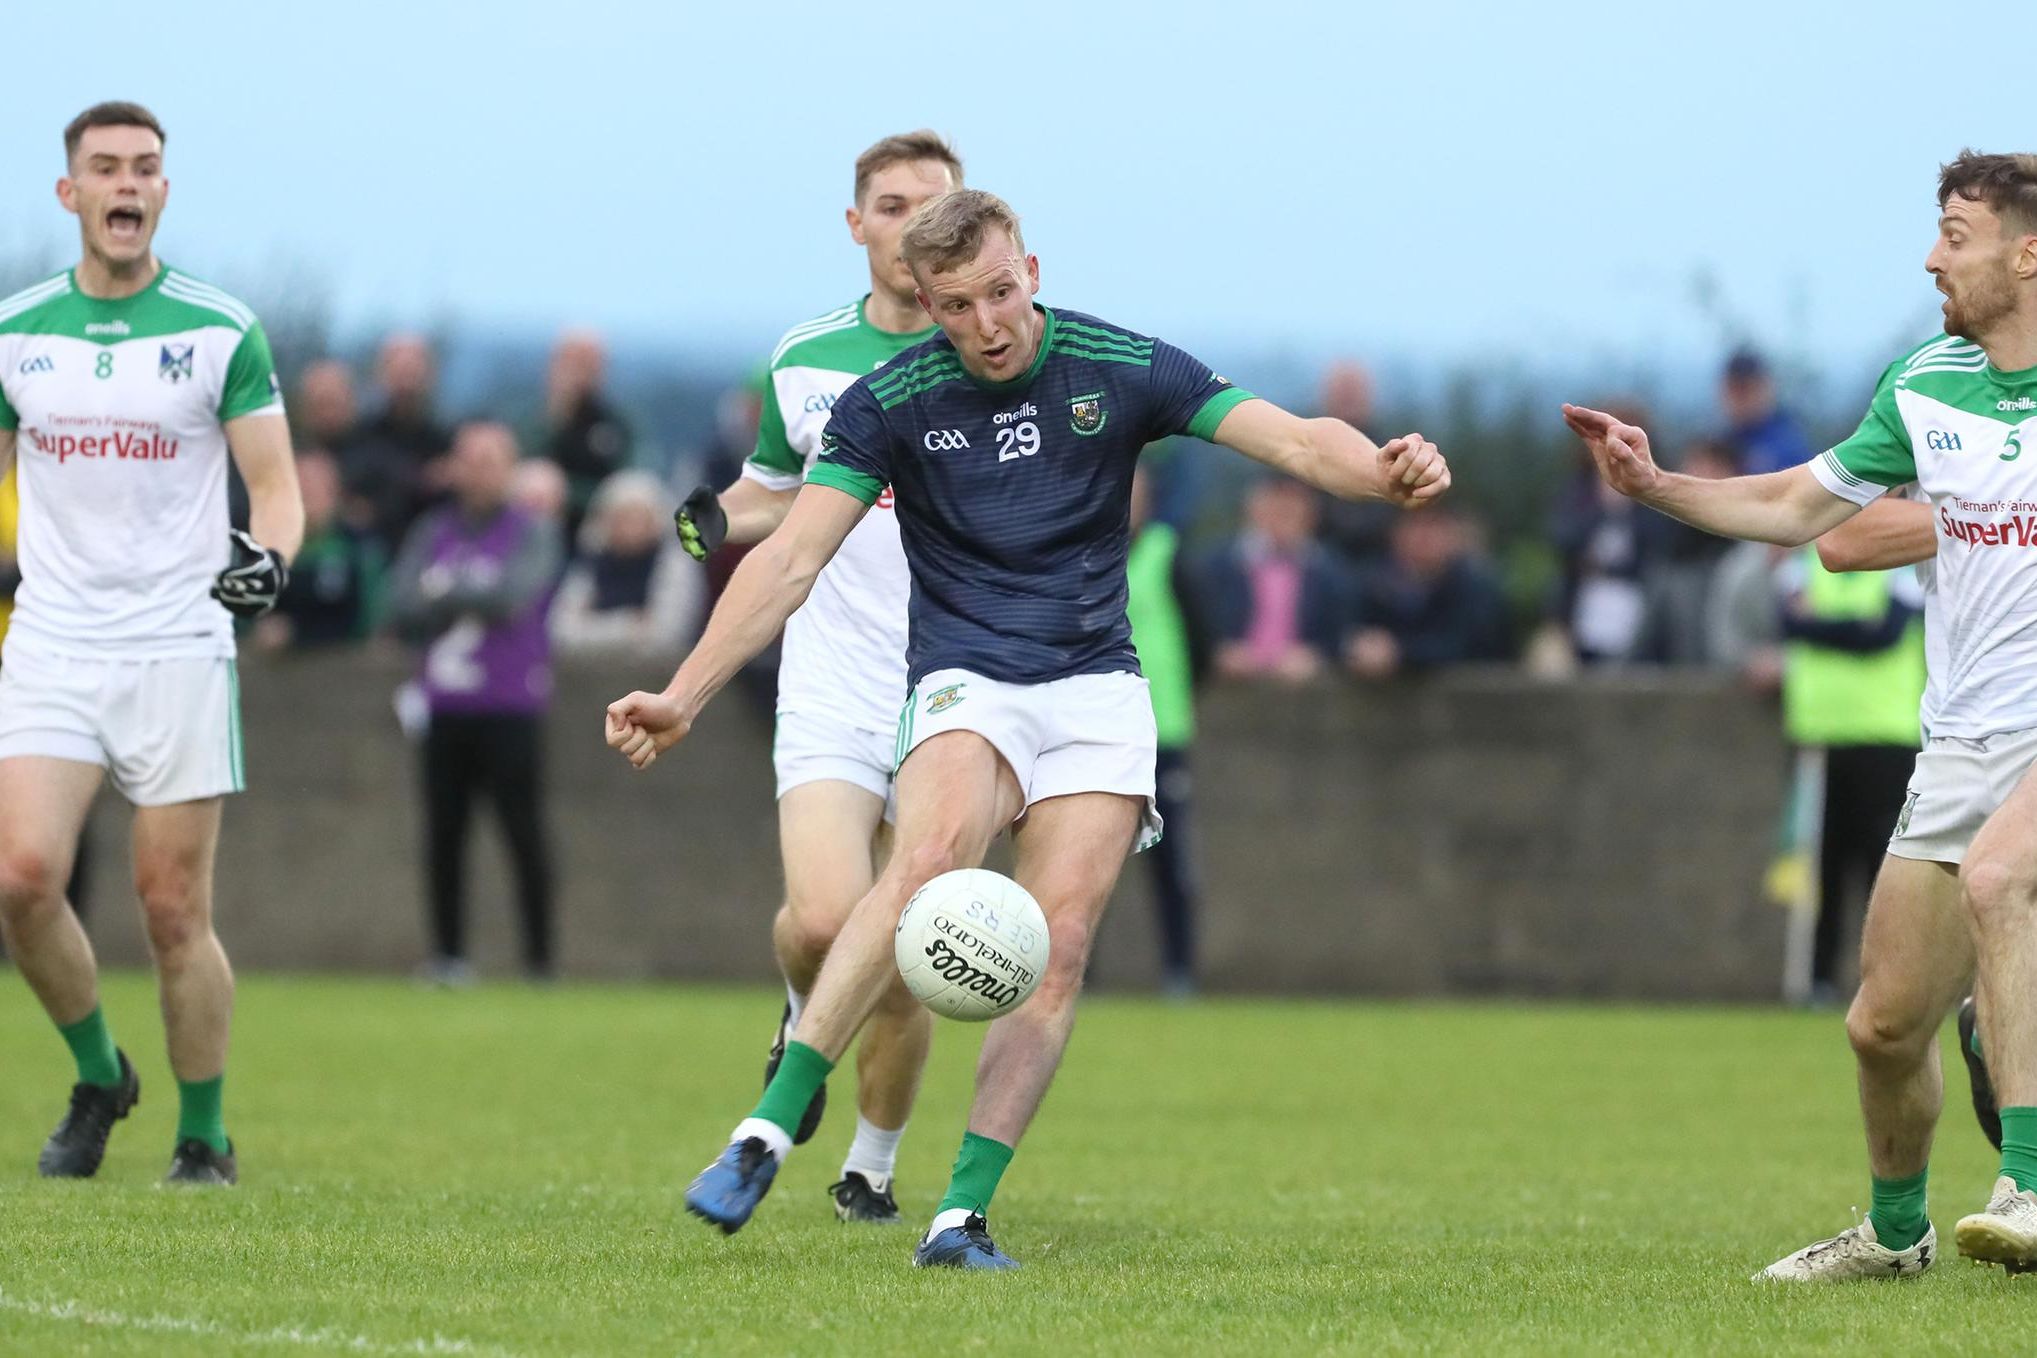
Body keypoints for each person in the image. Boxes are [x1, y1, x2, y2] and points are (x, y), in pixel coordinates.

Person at [609, 188, 1449, 1268]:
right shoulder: (890, 400)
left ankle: (960, 1216)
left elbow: (1291, 438)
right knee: (925, 858)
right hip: (970, 673)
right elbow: (788, 557)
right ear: (926, 299)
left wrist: (1384, 470)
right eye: (958, 304)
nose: (989, 322)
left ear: (1033, 271)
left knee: (1058, 949)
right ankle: (766, 1126)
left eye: (1003, 292)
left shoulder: (1119, 363)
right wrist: (685, 690)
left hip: (1098, 685)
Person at [1562, 149, 2037, 1279]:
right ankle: (1894, 1230)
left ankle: (2026, 1182)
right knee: (1880, 1025)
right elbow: (1801, 509)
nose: (1933, 256)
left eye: (1957, 236)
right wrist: (1658, 485)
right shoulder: (1925, 384)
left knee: (1997, 880)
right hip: (1965, 739)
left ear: (2028, 253)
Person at [0, 102, 304, 1186]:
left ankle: (205, 1134)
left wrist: (268, 559)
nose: (126, 186)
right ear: (68, 193)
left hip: (179, 643)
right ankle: (99, 1072)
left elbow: (275, 490)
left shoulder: (221, 328)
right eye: (105, 169)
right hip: (52, 639)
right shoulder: (17, 331)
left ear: (163, 192)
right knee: (21, 877)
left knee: (173, 908)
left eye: (145, 170)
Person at [668, 130, 964, 1224]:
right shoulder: (803, 356)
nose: (910, 226)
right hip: (834, 677)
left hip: (958, 686)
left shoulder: (987, 352)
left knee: (916, 938)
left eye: (932, 207)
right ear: (857, 225)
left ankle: (870, 1169)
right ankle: (801, 1011)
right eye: (890, 206)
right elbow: (773, 492)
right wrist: (714, 516)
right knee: (826, 916)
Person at [387, 423, 562, 983]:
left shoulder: (532, 532)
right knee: (443, 832)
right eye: (471, 460)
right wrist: (454, 598)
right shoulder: (433, 529)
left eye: (492, 460)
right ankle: (448, 955)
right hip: (445, 706)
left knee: (523, 831)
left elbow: (512, 596)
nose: (480, 471)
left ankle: (539, 960)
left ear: (510, 468)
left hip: (510, 704)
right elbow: (400, 602)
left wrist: (444, 592)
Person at [1775, 547, 1926, 1005]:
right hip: (1820, 733)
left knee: (1885, 864)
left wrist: (1818, 626)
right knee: (1824, 865)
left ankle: (1889, 979)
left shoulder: (1903, 565)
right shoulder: (1802, 564)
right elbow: (1790, 623)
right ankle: (1816, 979)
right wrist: (1852, 627)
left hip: (1887, 734)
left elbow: (1883, 634)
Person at [1125, 463, 1206, 995]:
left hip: (1163, 735)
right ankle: (1072, 975)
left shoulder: (1170, 555)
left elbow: (1204, 639)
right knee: (1081, 863)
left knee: (1171, 863)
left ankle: (1179, 972)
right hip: (1095, 732)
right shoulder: (1071, 546)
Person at [1202, 474, 1348, 684]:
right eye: (1276, 510)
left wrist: (1315, 656)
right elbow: (1200, 626)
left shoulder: (1328, 570)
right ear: (1254, 510)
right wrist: (1220, 651)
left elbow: (1339, 634)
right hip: (1232, 684)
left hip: (1301, 688)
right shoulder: (1219, 564)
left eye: (1293, 512)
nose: (1284, 520)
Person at [1345, 505, 1509, 679]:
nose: (1424, 538)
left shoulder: (1476, 585)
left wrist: (1400, 653)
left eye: (1434, 527)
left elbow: (1466, 646)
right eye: (1415, 526)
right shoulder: (1373, 583)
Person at [549, 470, 699, 659]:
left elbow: (667, 634)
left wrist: (592, 623)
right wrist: (629, 625)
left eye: (640, 518)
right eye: (623, 517)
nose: (631, 527)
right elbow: (562, 631)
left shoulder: (673, 565)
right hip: (591, 675)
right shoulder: (590, 565)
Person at [252, 449, 384, 652]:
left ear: (335, 492)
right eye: (299, 483)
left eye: (314, 485)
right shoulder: (263, 550)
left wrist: (299, 633)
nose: (305, 492)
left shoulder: (359, 548)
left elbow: (369, 622)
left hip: (344, 672)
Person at [540, 329, 633, 550]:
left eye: (589, 363)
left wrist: (569, 493)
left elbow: (634, 476)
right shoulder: (532, 419)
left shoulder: (618, 423)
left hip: (601, 534)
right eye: (573, 362)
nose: (580, 373)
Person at [1720, 348, 1814, 477]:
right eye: (1732, 390)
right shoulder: (1722, 441)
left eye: (1746, 390)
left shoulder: (1787, 445)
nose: (1739, 399)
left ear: (1766, 388)